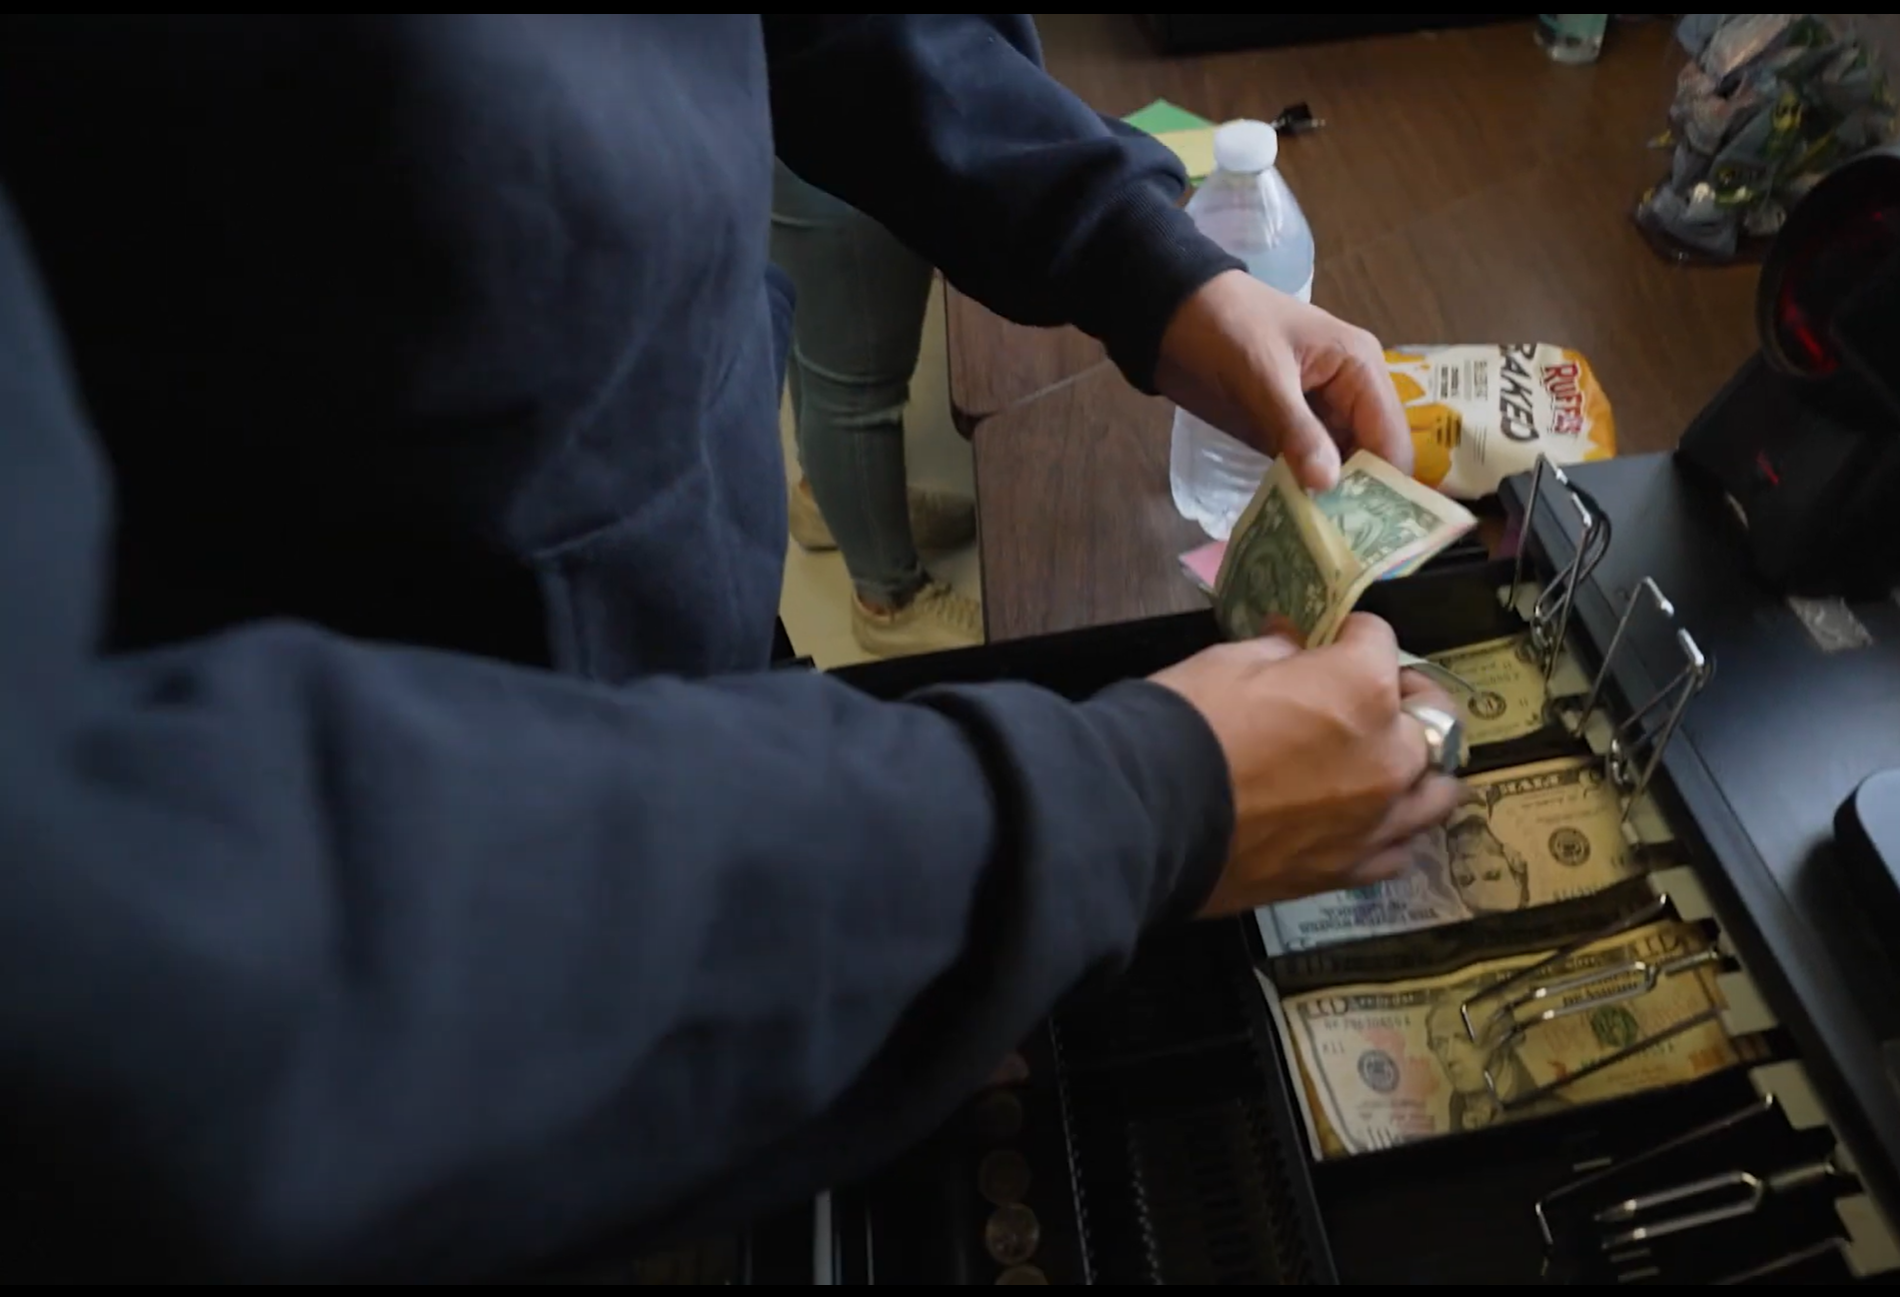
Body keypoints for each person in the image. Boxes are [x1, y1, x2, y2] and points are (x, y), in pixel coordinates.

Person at [0, 15, 1462, 1284]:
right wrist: (1105, 818)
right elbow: (105, 939)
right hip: (404, 1005)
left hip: (691, 660)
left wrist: (1138, 253)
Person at [770, 161, 985, 657]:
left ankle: (829, 503)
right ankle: (890, 604)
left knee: (818, 332)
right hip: (844, 133)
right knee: (857, 390)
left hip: (796, 124)